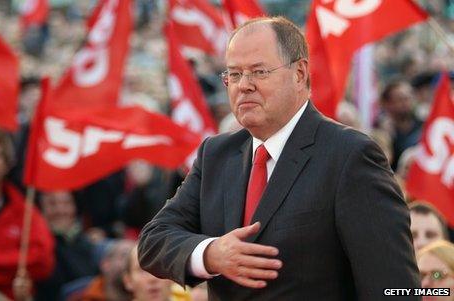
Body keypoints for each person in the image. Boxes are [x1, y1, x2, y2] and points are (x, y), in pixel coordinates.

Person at [138, 17, 420, 300]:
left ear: (299, 73)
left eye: (259, 72)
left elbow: (393, 288)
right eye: (234, 75)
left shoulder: (350, 155)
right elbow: (154, 240)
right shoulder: (216, 155)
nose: (243, 85)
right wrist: (211, 254)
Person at [0, 128, 54, 299]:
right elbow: (29, 262)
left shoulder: (24, 211)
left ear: (6, 163)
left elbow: (43, 261)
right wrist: (15, 266)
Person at [35, 191, 98, 300]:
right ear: (40, 208)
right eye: (52, 203)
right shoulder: (34, 246)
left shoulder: (87, 244)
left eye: (66, 203)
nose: (60, 210)